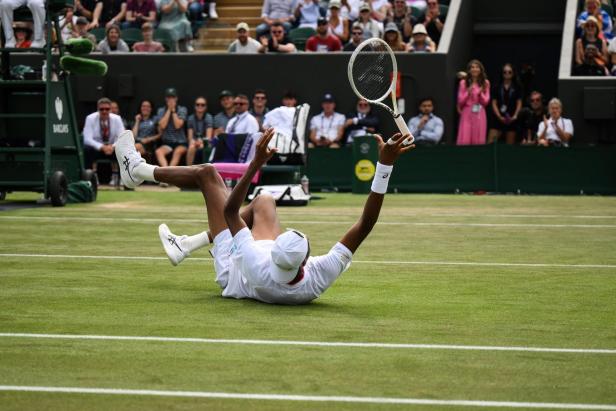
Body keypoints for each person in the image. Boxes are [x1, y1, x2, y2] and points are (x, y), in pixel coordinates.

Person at [114, 127, 414, 305]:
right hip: (264, 263)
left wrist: (255, 163)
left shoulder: (257, 263)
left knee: (207, 173)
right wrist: (385, 165)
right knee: (265, 201)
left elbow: (230, 210)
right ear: (303, 262)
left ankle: (138, 171)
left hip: (233, 270)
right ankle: (187, 245)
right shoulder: (315, 276)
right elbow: (366, 224)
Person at [83, 97, 125, 185]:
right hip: (97, 149)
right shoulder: (90, 118)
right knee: (86, 149)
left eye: (107, 109)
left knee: (124, 149)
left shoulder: (117, 119)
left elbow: (122, 137)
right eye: (101, 109)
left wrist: (112, 147)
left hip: (112, 149)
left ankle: (124, 179)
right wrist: (102, 147)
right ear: (98, 109)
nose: (104, 111)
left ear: (110, 109)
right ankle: (90, 179)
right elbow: (87, 139)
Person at [456, 59, 490, 145]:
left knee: (478, 139)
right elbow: (460, 101)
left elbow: (486, 102)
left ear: (481, 69)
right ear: (469, 70)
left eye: (477, 67)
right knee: (465, 139)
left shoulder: (485, 83)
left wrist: (480, 93)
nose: (475, 69)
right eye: (472, 67)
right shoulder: (463, 83)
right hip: (467, 112)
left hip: (480, 112)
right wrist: (468, 92)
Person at [487, 63, 523, 145]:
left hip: (512, 118)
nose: (507, 74)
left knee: (509, 146)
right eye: (505, 72)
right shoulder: (497, 86)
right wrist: (499, 116)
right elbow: (494, 102)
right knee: (490, 143)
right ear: (502, 73)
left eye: (509, 72)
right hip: (498, 117)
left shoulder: (518, 86)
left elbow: (519, 102)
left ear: (513, 73)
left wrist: (515, 116)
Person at [155, 87, 188, 169]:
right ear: (166, 99)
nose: (171, 100)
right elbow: (162, 126)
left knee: (177, 152)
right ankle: (167, 174)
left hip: (181, 142)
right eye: (169, 97)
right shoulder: (161, 110)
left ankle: (168, 175)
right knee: (158, 152)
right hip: (167, 143)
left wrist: (173, 111)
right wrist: (169, 110)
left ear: (176, 98)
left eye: (172, 97)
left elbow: (178, 125)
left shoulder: (182, 109)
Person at [186, 96, 214, 166]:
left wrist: (200, 142)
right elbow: (190, 137)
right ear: (194, 106)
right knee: (191, 147)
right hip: (194, 142)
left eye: (202, 105)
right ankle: (188, 171)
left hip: (205, 142)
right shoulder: (190, 118)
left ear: (205, 107)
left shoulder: (209, 117)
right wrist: (194, 142)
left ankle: (205, 172)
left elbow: (208, 137)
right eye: (197, 104)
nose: (200, 106)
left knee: (205, 147)